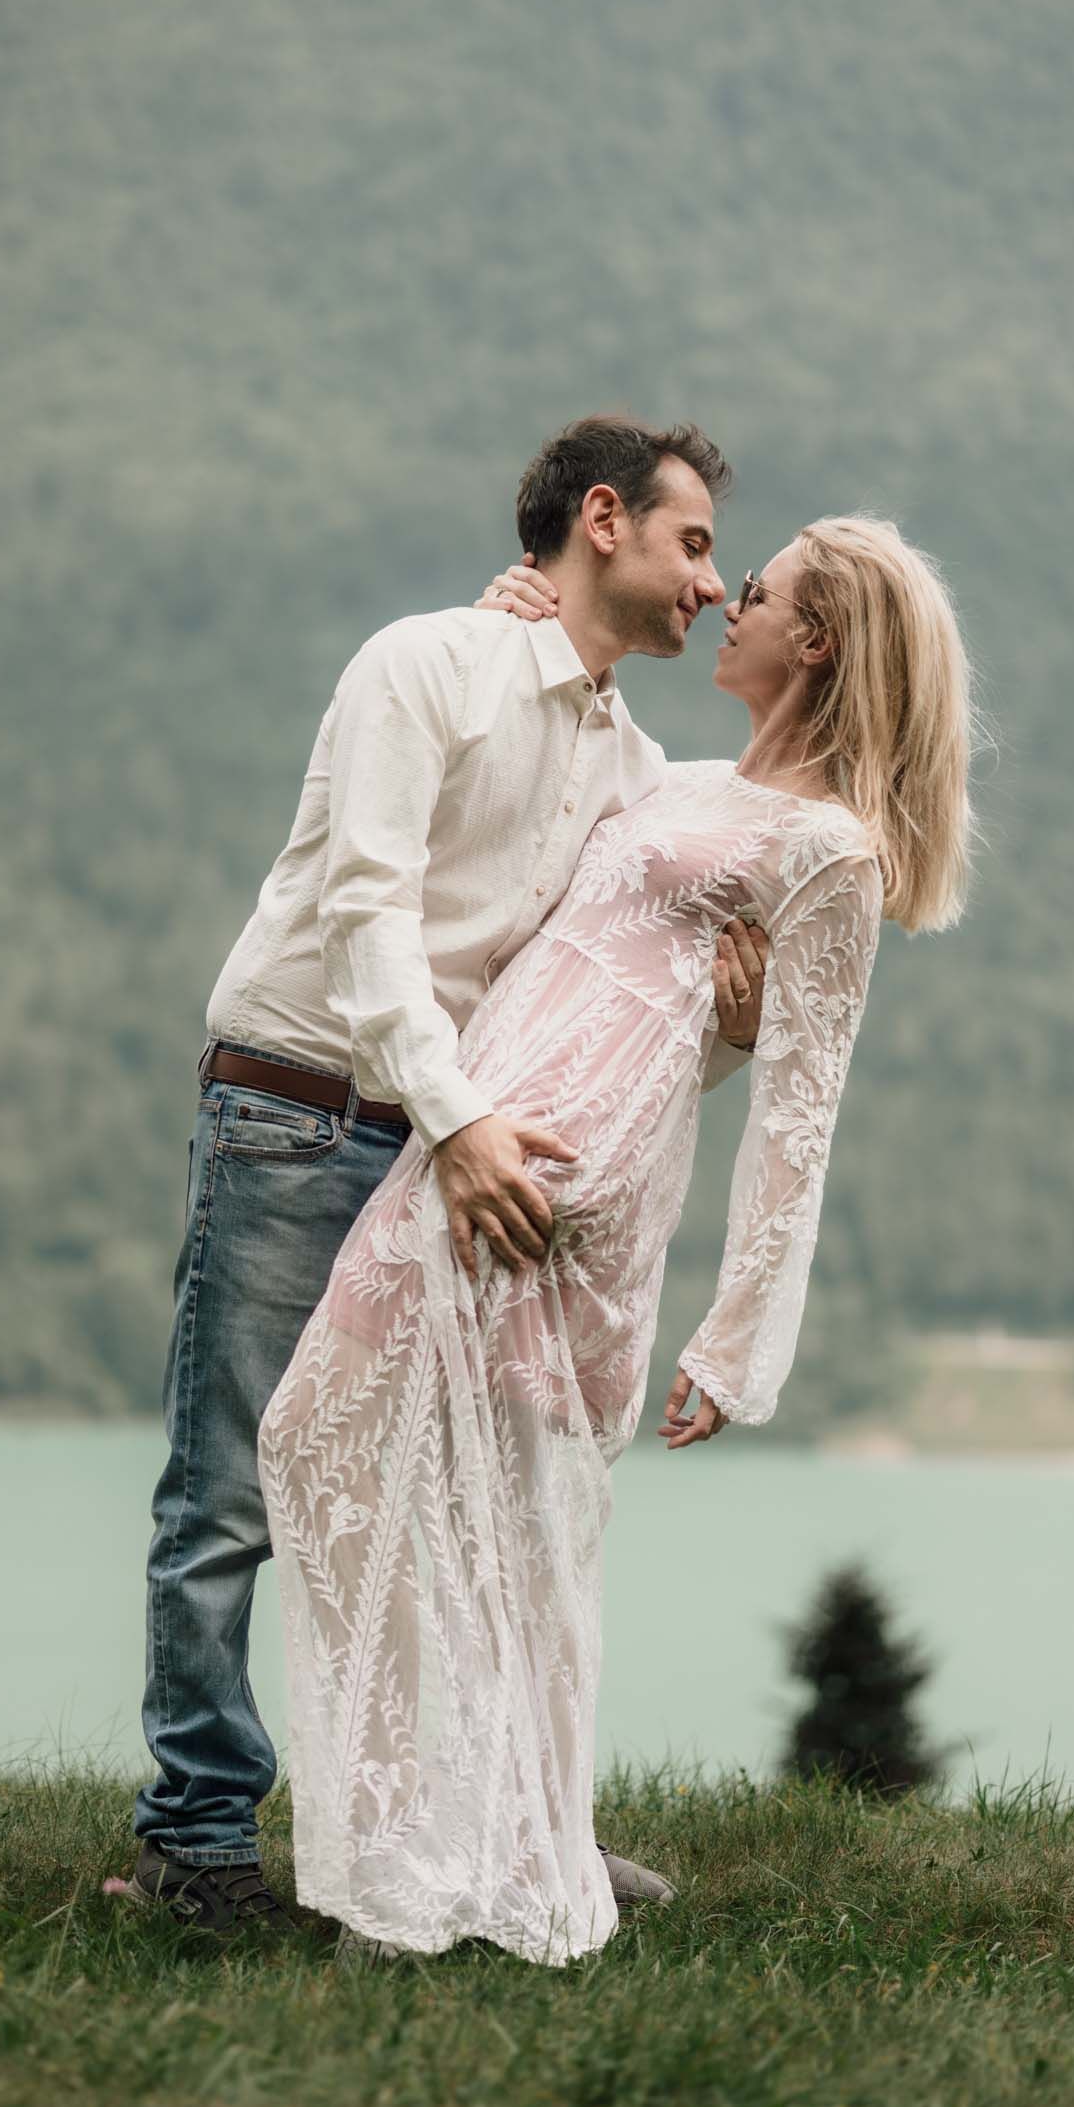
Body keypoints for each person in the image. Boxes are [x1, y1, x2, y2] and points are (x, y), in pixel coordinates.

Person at [257, 511, 973, 1965]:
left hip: (568, 1176)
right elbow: (569, 760)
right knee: (377, 1461)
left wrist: (738, 1339)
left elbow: (799, 1109)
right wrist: (517, 623)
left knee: (413, 1468)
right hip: (493, 1134)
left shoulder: (828, 851)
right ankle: (471, 1843)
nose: (729, 602)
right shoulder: (690, 781)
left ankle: (427, 1877)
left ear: (816, 644)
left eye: (757, 591)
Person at [128, 416, 775, 1936]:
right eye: (693, 545)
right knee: (228, 1494)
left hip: (449, 1146)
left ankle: (504, 1824)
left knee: (469, 1494)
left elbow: (597, 1005)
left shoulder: (633, 767)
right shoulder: (421, 664)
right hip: (303, 1108)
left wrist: (729, 1036)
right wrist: (463, 1116)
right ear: (601, 521)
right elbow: (369, 914)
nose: (713, 583)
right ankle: (199, 1839)